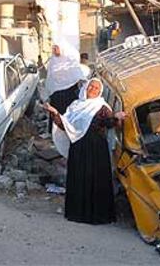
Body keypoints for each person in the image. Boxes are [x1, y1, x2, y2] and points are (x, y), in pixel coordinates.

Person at [44, 78, 127, 224]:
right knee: (79, 178)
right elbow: (65, 125)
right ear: (86, 88)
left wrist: (115, 117)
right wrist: (55, 113)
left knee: (95, 179)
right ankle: (77, 213)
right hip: (79, 148)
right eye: (91, 87)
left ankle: (97, 216)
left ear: (100, 91)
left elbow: (106, 123)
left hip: (96, 149)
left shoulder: (102, 107)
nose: (93, 90)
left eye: (96, 88)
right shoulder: (75, 106)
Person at [45, 43, 87, 115]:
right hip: (56, 98)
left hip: (70, 96)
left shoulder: (71, 62)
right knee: (57, 118)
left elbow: (81, 78)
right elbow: (49, 80)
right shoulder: (53, 62)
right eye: (54, 49)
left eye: (57, 48)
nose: (55, 51)